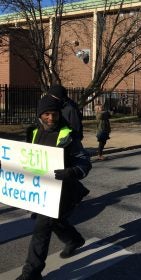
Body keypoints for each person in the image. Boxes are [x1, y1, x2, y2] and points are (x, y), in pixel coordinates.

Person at [17, 95, 92, 280]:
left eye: (55, 114)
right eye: (47, 114)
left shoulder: (68, 135)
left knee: (42, 228)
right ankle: (74, 240)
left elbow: (84, 162)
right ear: (39, 115)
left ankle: (31, 273)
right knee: (55, 222)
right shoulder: (33, 132)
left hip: (63, 192)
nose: (51, 118)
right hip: (42, 190)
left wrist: (72, 172)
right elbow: (26, 158)